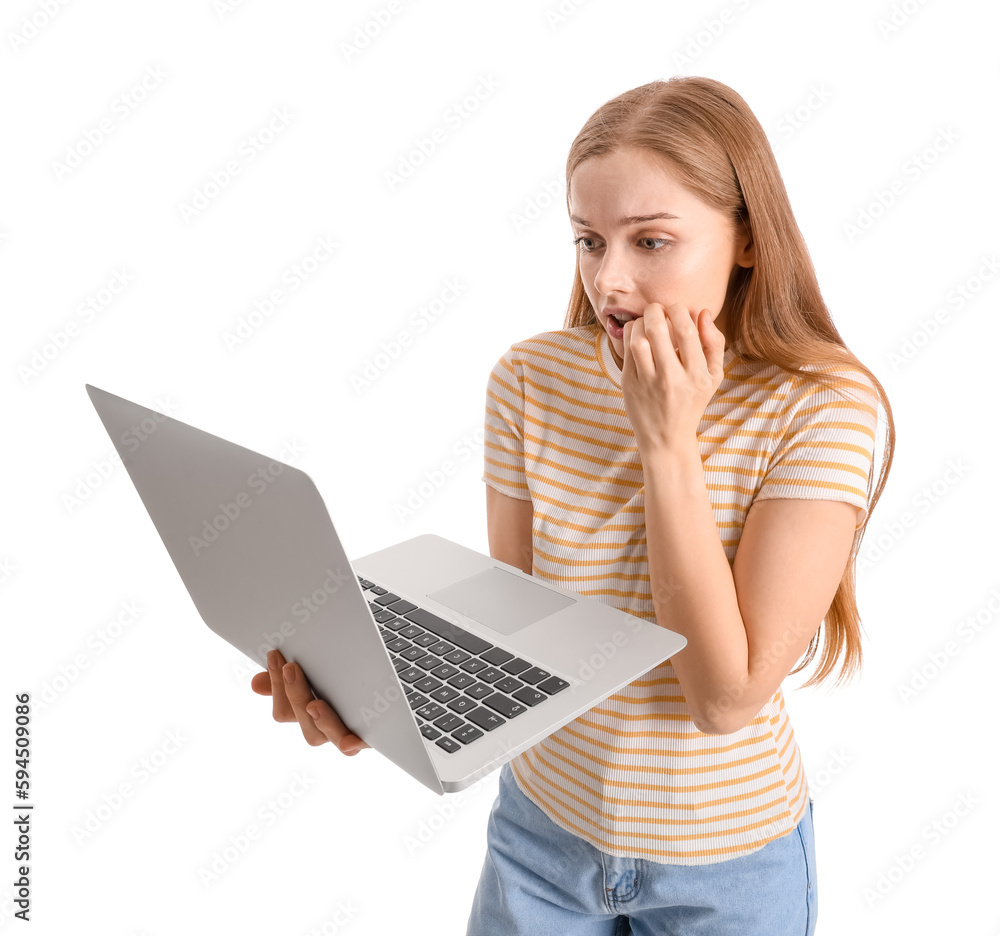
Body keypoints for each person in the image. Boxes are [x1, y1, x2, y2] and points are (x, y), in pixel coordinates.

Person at [251, 76, 895, 935]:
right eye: (590, 241)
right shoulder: (530, 379)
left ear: (746, 238)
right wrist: (386, 706)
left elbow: (725, 697)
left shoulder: (824, 408)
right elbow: (517, 636)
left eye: (652, 241)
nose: (611, 281)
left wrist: (668, 442)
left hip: (727, 866)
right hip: (541, 836)